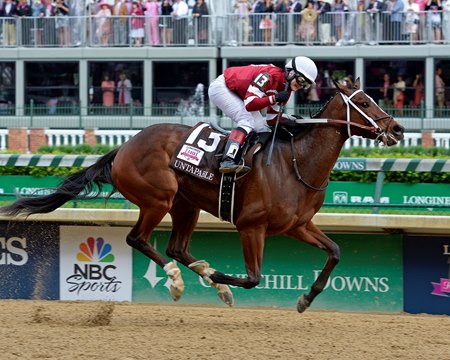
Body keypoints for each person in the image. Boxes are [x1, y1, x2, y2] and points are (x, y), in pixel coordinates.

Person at [208, 56, 318, 173]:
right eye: (301, 80)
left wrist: (294, 122)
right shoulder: (268, 75)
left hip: (239, 94)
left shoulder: (286, 90)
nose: (301, 86)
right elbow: (250, 104)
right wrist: (274, 98)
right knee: (247, 121)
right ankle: (228, 159)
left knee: (263, 129)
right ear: (291, 73)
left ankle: (245, 156)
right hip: (222, 87)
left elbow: (271, 119)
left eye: (306, 84)